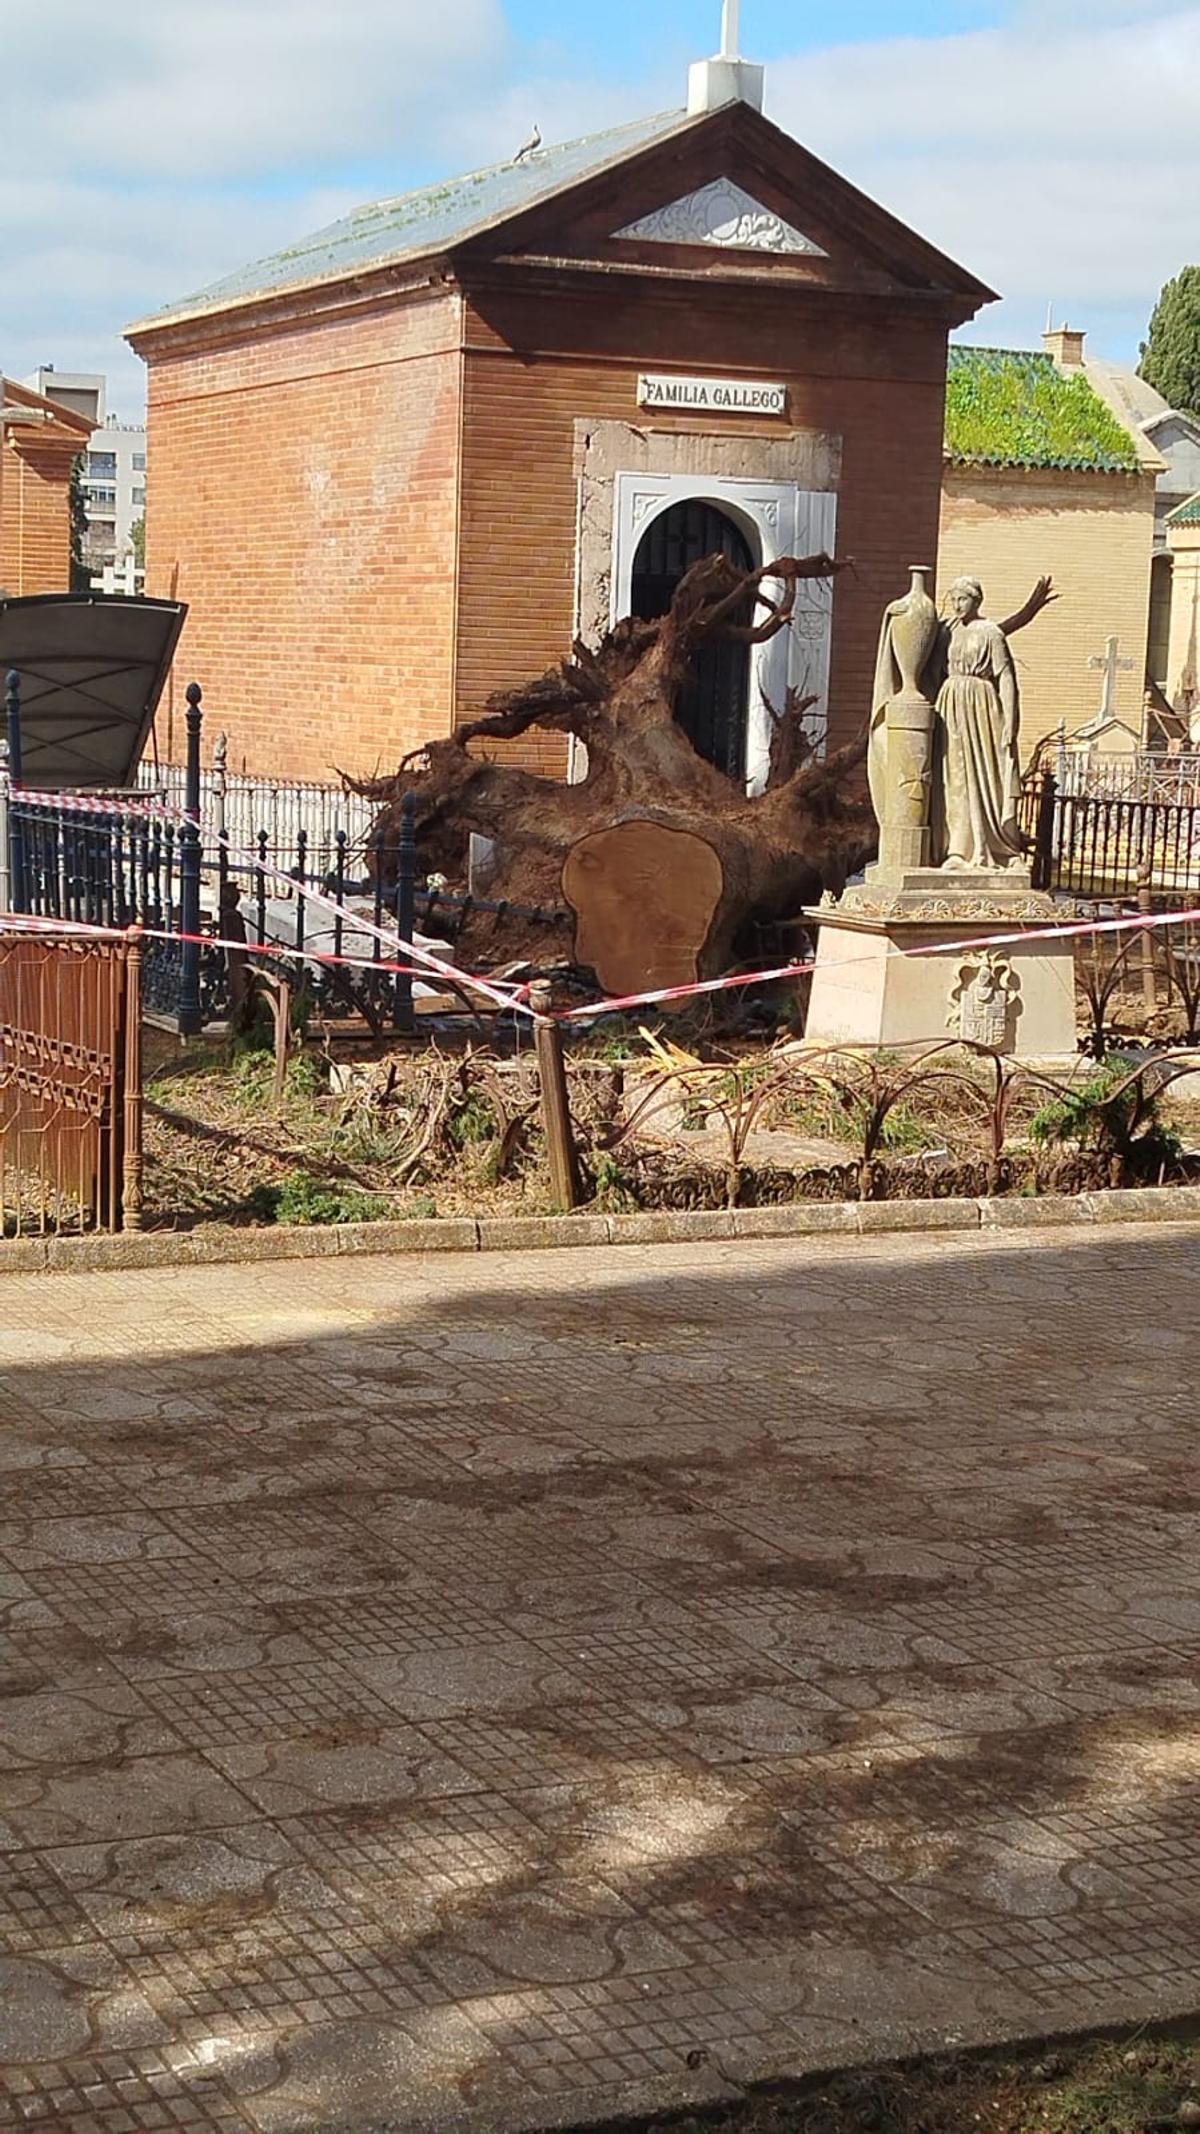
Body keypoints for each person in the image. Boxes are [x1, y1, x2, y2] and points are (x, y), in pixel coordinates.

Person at [928, 577, 1025, 871]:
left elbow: (1006, 677)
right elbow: (930, 671)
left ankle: (986, 844)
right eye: (954, 599)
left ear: (977, 600)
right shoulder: (946, 632)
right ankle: (956, 848)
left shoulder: (991, 632)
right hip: (949, 706)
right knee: (953, 777)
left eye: (963, 599)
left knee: (983, 775)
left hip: (981, 706)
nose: (957, 605)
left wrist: (1010, 721)